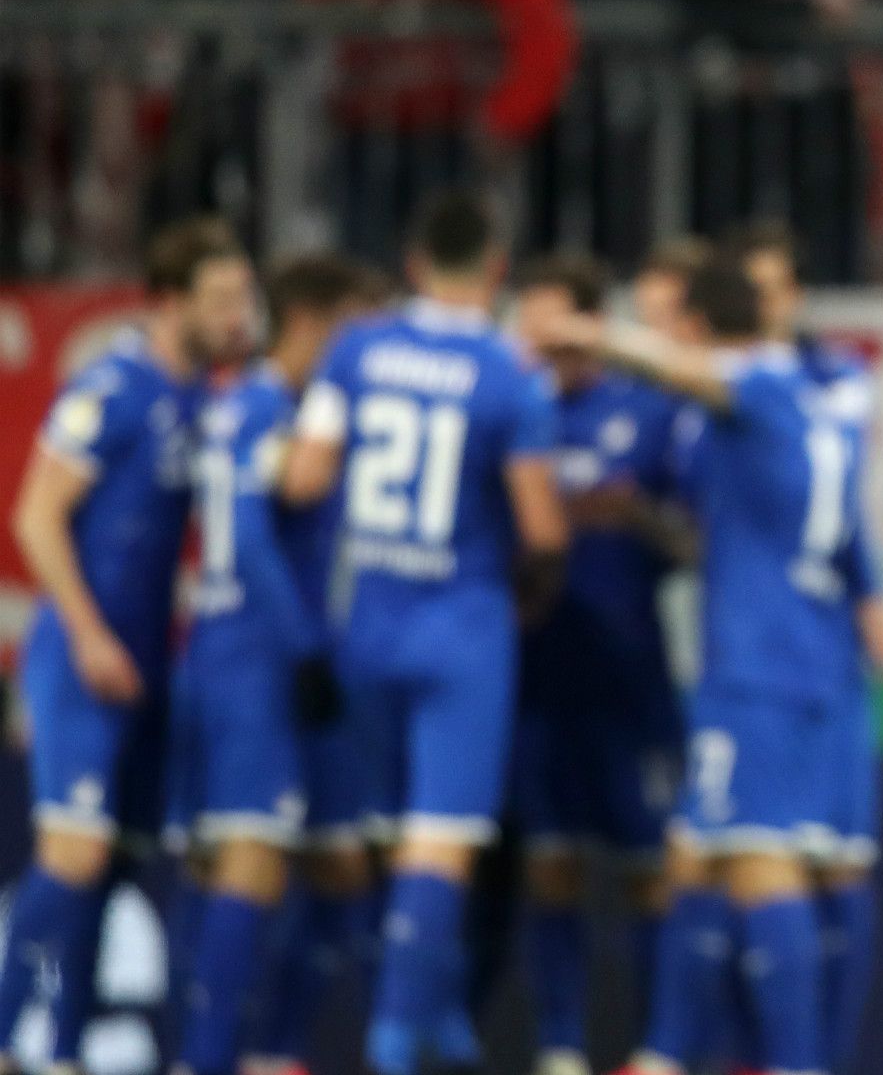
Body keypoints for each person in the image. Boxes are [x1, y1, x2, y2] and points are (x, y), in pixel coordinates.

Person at [526, 253, 881, 1075]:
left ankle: (789, 1064)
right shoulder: (810, 394)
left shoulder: (755, 383)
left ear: (695, 328)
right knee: (697, 854)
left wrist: (588, 333)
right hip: (799, 654)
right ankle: (668, 1054)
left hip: (757, 668)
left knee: (759, 860)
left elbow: (692, 374)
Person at [280, 190, 568, 1075]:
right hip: (462, 629)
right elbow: (543, 529)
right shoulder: (510, 372)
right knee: (441, 838)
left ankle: (428, 1005)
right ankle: (396, 1038)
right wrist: (528, 594)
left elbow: (302, 479)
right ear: (496, 268)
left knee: (385, 829)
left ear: (412, 264)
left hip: (366, 621)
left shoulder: (355, 349)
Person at [0, 217, 253, 1073]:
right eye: (220, 300)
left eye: (243, 298)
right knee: (73, 855)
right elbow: (36, 518)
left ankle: (65, 1051)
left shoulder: (206, 398)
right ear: (170, 302)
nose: (236, 316)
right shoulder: (112, 388)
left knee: (115, 867)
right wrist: (87, 634)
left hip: (147, 664)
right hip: (84, 658)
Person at [731, 220, 883, 1071]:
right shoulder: (730, 386)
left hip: (823, 650)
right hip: (754, 656)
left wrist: (870, 592)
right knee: (735, 863)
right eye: (746, 292)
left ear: (795, 296)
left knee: (838, 867)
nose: (760, 306)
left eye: (771, 290)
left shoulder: (835, 379)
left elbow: (839, 507)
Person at [507, 253, 690, 1075]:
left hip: (631, 678)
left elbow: (693, 542)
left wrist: (638, 517)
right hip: (538, 677)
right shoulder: (513, 408)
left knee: (651, 870)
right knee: (553, 864)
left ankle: (654, 1051)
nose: (543, 341)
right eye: (531, 324)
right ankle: (560, 1049)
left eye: (558, 323)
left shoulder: (648, 411)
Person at [240, 254, 393, 1075]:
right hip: (267, 675)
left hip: (329, 671)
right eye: (357, 332)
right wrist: (301, 650)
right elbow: (249, 542)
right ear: (313, 323)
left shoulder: (315, 414)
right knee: (249, 866)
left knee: (342, 867)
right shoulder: (261, 406)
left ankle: (280, 1052)